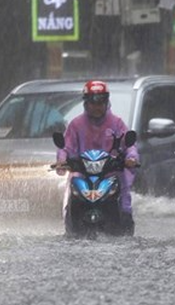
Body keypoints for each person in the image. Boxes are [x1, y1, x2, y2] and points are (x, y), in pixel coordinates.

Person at [55, 80, 140, 236]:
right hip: (82, 174)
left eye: (101, 102)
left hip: (110, 175)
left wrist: (131, 158)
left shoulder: (117, 123)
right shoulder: (75, 125)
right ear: (86, 103)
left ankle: (125, 225)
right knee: (71, 194)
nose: (97, 106)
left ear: (106, 102)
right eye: (93, 102)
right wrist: (62, 161)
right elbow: (65, 147)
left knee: (124, 197)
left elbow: (129, 146)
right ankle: (71, 226)